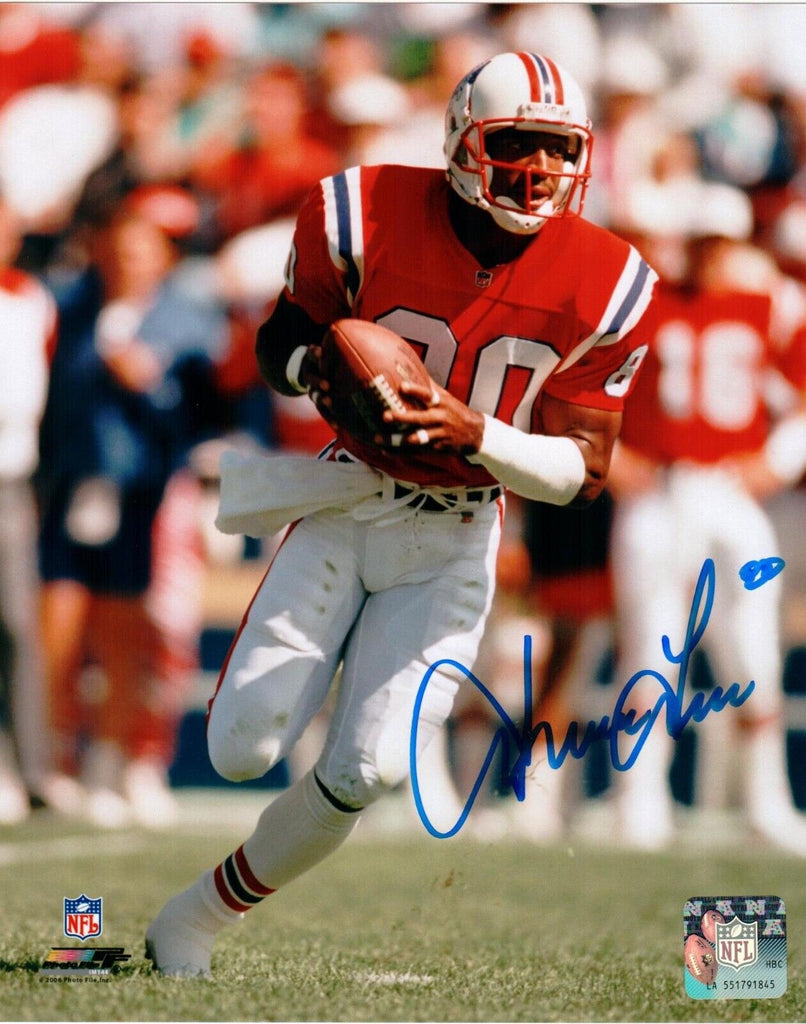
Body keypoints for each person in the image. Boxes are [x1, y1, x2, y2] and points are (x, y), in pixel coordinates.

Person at [145, 51, 657, 977]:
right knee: (240, 750)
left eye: (560, 149)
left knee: (369, 768)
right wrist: (322, 375)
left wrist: (476, 431)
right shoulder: (361, 210)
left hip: (457, 533)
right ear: (463, 141)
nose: (541, 169)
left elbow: (582, 473)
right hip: (348, 502)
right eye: (519, 142)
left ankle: (194, 919)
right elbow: (280, 342)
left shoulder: (608, 279)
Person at [608, 185, 806, 853]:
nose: (713, 256)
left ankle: (767, 803)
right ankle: (640, 802)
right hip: (660, 493)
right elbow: (581, 392)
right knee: (650, 651)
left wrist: (778, 461)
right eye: (703, 243)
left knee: (752, 652)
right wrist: (610, 460)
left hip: (730, 492)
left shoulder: (772, 303)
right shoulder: (645, 303)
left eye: (722, 243)